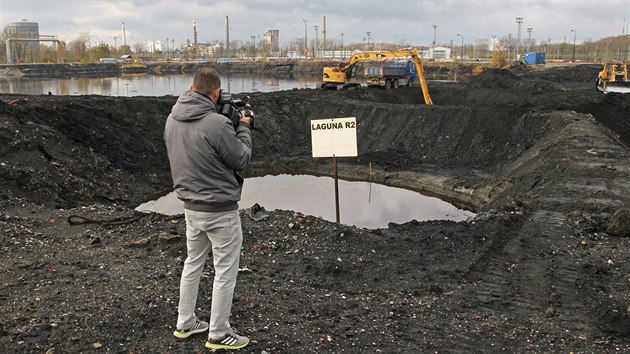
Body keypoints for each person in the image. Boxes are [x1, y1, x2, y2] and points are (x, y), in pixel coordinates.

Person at [164, 67, 253, 350]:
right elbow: (241, 159)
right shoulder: (216, 124)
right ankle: (218, 333)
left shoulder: (172, 119)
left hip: (191, 207)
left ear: (191, 89)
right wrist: (244, 127)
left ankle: (185, 322)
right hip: (220, 210)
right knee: (225, 270)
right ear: (215, 93)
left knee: (193, 263)